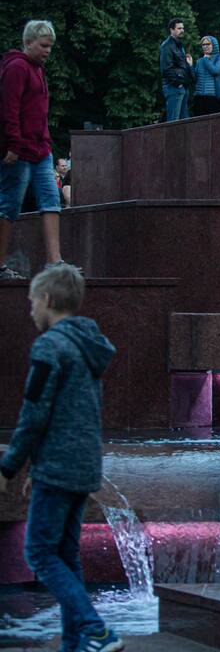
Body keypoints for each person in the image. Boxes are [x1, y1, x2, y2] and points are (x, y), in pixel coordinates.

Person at [0, 264, 123, 651]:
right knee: (67, 556)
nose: (30, 311)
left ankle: (96, 629)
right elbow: (78, 411)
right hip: (84, 465)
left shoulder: (49, 347)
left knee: (38, 552)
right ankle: (74, 644)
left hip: (58, 465)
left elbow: (35, 413)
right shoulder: (90, 345)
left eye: (32, 302)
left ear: (48, 300)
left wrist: (10, 465)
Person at [0, 20, 65, 279]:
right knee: (8, 206)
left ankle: (55, 262)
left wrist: (46, 141)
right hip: (20, 151)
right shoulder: (17, 68)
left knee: (52, 201)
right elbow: (9, 110)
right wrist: (13, 145)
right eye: (44, 46)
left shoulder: (37, 68)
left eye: (50, 46)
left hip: (40, 149)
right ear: (28, 43)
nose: (48, 51)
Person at [160, 17, 193, 122]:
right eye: (179, 28)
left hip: (181, 86)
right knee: (173, 122)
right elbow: (166, 69)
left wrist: (189, 66)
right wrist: (178, 83)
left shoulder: (179, 45)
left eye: (183, 28)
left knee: (184, 122)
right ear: (171, 29)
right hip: (174, 87)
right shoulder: (166, 46)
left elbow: (180, 66)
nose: (182, 30)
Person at [192, 36, 220, 116]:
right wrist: (190, 66)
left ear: (214, 45)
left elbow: (215, 71)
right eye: (203, 45)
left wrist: (206, 59)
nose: (205, 46)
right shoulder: (199, 61)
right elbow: (195, 78)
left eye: (208, 44)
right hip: (199, 97)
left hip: (214, 97)